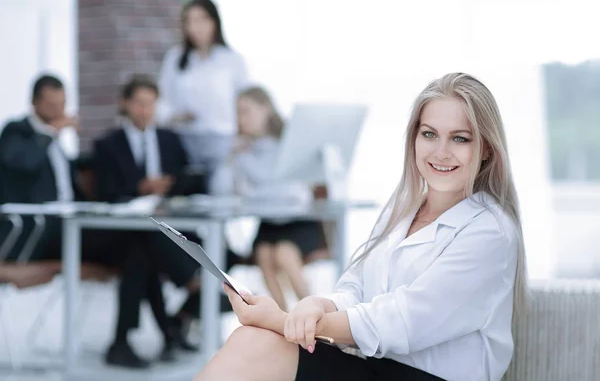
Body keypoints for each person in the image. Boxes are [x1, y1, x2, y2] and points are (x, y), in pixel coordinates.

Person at [195, 73, 529, 381]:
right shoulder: (403, 209)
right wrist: (319, 305)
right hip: (375, 368)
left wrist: (284, 321)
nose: (441, 152)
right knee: (253, 340)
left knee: (263, 340)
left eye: (460, 138)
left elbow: (404, 321)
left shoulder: (491, 231)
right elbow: (356, 287)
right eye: (429, 134)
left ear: (485, 148)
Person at [0, 75, 153, 369]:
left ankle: (124, 340)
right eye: (51, 104)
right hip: (39, 233)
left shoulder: (55, 142)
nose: (59, 110)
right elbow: (24, 162)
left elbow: (70, 180)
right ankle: (182, 308)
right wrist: (52, 131)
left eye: (62, 105)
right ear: (34, 103)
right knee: (137, 241)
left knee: (137, 244)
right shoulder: (16, 132)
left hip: (72, 226)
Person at [94, 74, 238, 353]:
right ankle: (191, 285)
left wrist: (172, 184)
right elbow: (105, 191)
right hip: (129, 231)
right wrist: (140, 187)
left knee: (225, 251)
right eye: (138, 103)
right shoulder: (108, 145)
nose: (144, 110)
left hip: (173, 223)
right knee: (143, 247)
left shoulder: (170, 140)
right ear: (125, 104)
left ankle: (179, 318)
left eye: (150, 103)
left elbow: (191, 179)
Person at [210, 87, 323, 311]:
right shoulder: (244, 151)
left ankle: (317, 318)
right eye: (238, 113)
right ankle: (284, 323)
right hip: (269, 225)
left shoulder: (290, 142)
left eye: (246, 111)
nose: (242, 119)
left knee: (283, 253)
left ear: (266, 109)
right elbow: (220, 192)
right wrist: (229, 158)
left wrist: (256, 194)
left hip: (299, 222)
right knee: (263, 253)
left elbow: (294, 193)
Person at [157, 0, 248, 179]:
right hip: (183, 140)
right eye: (188, 21)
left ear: (214, 22)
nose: (193, 28)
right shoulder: (175, 59)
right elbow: (162, 100)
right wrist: (176, 116)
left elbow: (244, 101)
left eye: (199, 20)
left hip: (221, 141)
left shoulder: (231, 60)